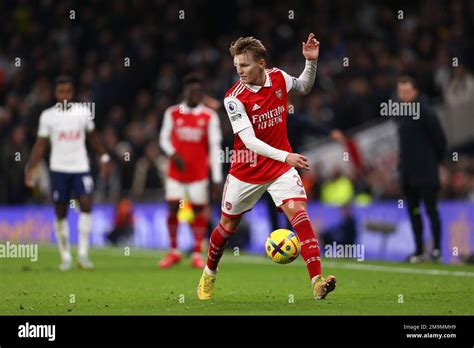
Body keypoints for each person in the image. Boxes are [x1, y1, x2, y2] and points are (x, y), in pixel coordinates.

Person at [197, 34, 336, 300]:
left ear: (262, 63)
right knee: (226, 227)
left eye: (245, 65)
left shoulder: (279, 78)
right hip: (246, 170)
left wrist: (311, 62)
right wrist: (287, 156)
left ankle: (317, 281)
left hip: (279, 168)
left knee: (300, 215)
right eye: (237, 65)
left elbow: (304, 86)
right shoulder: (234, 98)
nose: (240, 71)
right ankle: (208, 274)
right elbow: (248, 140)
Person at [25, 76, 110, 271]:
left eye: (68, 92)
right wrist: (31, 167)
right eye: (60, 92)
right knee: (61, 210)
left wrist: (103, 157)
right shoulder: (48, 116)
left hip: (81, 167)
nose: (64, 96)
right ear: (56, 94)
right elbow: (40, 145)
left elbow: (93, 137)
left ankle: (83, 254)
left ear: (73, 93)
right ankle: (65, 257)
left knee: (87, 204)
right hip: (59, 169)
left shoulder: (83, 112)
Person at [158, 74, 223, 269]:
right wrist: (173, 154)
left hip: (198, 174)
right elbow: (163, 139)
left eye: (198, 91)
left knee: (197, 210)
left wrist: (217, 178)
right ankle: (174, 251)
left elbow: (215, 147)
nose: (194, 94)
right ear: (185, 92)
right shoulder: (172, 113)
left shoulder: (209, 116)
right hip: (176, 173)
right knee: (172, 207)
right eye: (191, 91)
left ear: (201, 94)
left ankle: (196, 252)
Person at [395, 75, 447, 263]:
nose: (404, 96)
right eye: (401, 92)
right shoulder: (399, 113)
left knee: (431, 210)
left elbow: (440, 141)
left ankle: (437, 251)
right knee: (414, 212)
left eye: (407, 92)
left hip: (426, 172)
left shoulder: (426, 112)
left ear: (415, 91)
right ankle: (418, 250)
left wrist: (434, 163)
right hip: (408, 175)